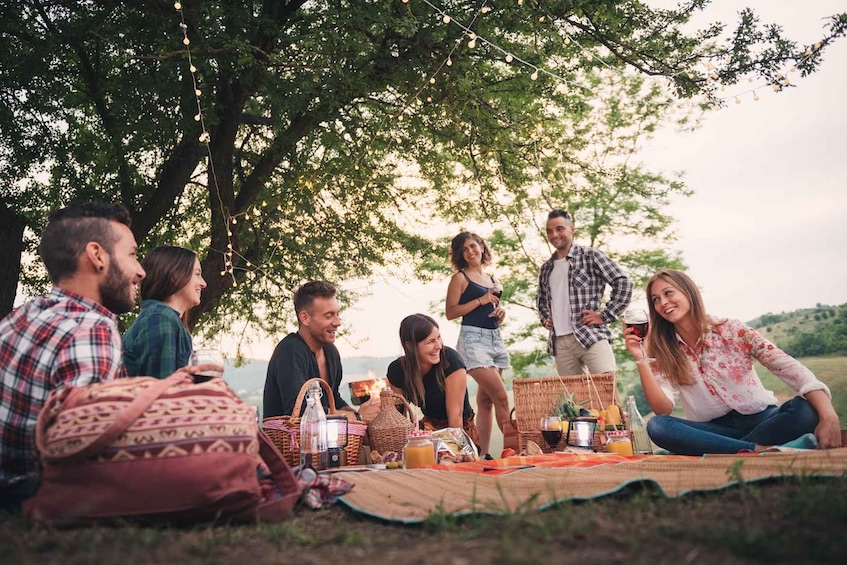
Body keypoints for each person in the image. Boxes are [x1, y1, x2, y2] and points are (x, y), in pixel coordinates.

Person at [623, 269, 842, 456]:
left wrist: (829, 415)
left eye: (668, 293)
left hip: (763, 419)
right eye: (655, 299)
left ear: (688, 292)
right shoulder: (664, 351)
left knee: (806, 410)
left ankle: (731, 449)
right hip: (713, 430)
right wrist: (641, 356)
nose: (663, 303)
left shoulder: (732, 330)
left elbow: (788, 368)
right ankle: (760, 450)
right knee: (659, 426)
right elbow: (663, 409)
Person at [537, 209, 632, 375]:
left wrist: (605, 316)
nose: (554, 235)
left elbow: (623, 282)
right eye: (549, 231)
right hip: (560, 343)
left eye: (559, 229)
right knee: (576, 399)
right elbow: (541, 300)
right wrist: (546, 318)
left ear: (572, 229)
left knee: (607, 390)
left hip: (590, 334)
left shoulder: (591, 256)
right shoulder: (546, 268)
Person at [445, 231, 509, 457]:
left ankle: (482, 455)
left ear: (481, 247)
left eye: (473, 246)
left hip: (494, 339)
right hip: (473, 341)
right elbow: (450, 312)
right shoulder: (460, 279)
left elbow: (489, 312)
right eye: (465, 249)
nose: (471, 252)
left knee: (486, 400)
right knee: (501, 396)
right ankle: (515, 450)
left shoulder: (492, 280)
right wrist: (480, 300)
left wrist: (499, 314)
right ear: (460, 255)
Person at [263, 281, 355, 418]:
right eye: (329, 315)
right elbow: (300, 411)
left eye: (337, 314)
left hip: (324, 437)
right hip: (290, 438)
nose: (337, 322)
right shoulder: (290, 352)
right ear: (305, 318)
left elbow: (333, 400)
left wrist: (360, 414)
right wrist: (355, 418)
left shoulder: (331, 352)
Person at [386, 314, 479, 446]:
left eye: (438, 338)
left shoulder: (451, 361)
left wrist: (456, 452)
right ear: (410, 346)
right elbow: (398, 419)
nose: (438, 346)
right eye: (430, 342)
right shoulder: (397, 371)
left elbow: (455, 416)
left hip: (460, 431)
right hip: (429, 432)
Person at [122, 246, 207, 379]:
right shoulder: (161, 318)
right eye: (197, 274)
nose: (203, 283)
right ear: (175, 277)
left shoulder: (162, 318)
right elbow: (163, 389)